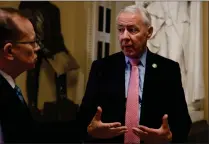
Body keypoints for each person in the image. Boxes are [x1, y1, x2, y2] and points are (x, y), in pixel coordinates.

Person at [78, 5, 192, 143]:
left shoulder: (169, 70)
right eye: (121, 30)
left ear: (149, 32)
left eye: (132, 30)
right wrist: (91, 131)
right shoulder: (101, 68)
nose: (124, 37)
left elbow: (183, 122)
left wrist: (169, 137)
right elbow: (83, 119)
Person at [0, 7, 78, 143]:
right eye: (32, 42)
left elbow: (30, 131)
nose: (37, 47)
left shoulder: (8, 86)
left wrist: (85, 129)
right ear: (9, 51)